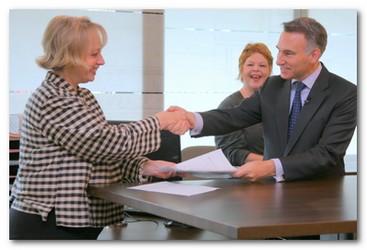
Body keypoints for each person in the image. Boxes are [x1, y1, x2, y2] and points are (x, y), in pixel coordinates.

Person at [9, 15, 189, 240]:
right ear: (68, 55)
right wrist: (161, 121)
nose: (101, 61)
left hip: (72, 220)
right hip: (46, 222)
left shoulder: (82, 96)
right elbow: (104, 143)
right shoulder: (52, 97)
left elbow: (96, 156)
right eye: (94, 54)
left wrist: (145, 166)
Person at [180, 17, 357, 182]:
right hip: (270, 194)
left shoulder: (346, 93)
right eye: (279, 51)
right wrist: (191, 119)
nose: (279, 60)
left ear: (314, 55)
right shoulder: (272, 86)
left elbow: (326, 154)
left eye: (288, 53)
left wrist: (271, 166)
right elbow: (234, 116)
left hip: (320, 197)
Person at [214, 43, 273, 166]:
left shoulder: (279, 103)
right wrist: (272, 164)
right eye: (250, 64)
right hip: (245, 179)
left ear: (269, 71)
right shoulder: (230, 105)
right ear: (241, 69)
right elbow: (230, 152)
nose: (256, 69)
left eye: (262, 65)